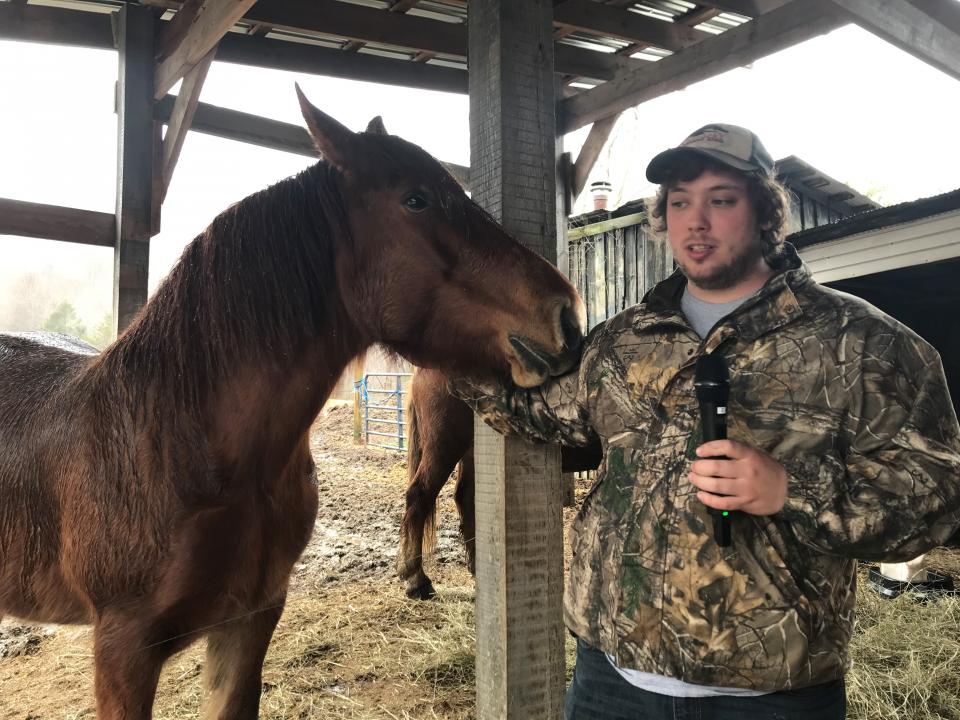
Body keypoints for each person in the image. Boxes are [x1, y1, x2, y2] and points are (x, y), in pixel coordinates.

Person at [453, 123, 960, 719]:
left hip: (772, 698)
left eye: (721, 200)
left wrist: (790, 490)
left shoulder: (863, 343)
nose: (696, 221)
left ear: (766, 213)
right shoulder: (624, 340)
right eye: (679, 202)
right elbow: (540, 414)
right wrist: (436, 345)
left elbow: (938, 503)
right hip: (612, 683)